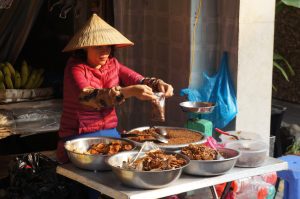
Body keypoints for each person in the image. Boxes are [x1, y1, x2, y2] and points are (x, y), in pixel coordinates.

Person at [57, 14, 174, 163]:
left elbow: (138, 79)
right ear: (85, 47)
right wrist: (129, 91)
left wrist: (158, 84)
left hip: (110, 132)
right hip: (78, 136)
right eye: (98, 46)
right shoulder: (75, 68)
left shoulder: (113, 64)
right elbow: (89, 97)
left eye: (108, 46)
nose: (105, 52)